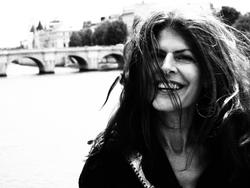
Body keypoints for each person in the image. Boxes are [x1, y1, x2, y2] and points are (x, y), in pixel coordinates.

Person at [79, 4, 250, 188]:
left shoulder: (242, 147)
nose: (166, 67)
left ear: (210, 75)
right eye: (157, 56)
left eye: (183, 57)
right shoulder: (108, 162)